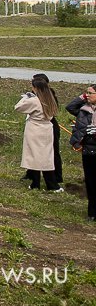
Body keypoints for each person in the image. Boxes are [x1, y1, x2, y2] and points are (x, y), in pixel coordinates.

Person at [15, 77, 62, 192]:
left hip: (35, 129)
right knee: (47, 156)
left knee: (34, 156)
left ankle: (36, 182)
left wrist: (26, 97)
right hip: (47, 128)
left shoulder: (35, 100)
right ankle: (50, 183)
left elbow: (18, 107)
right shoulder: (50, 99)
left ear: (36, 88)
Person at [68, 85, 96, 221]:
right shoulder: (84, 110)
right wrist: (83, 97)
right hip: (88, 151)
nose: (88, 95)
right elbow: (70, 107)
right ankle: (92, 213)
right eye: (87, 93)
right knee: (90, 182)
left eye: (91, 93)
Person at [34, 73, 63, 184]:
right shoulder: (36, 96)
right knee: (35, 151)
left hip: (49, 126)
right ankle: (32, 174)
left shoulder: (49, 96)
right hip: (40, 125)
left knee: (53, 151)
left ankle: (57, 176)